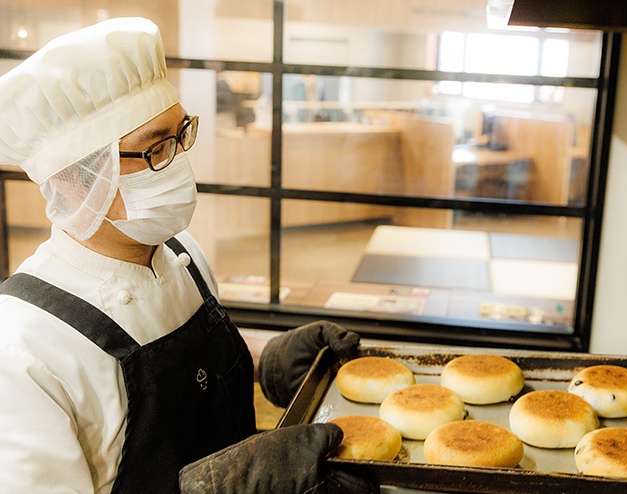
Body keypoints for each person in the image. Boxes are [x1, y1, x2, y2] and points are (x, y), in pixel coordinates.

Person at [0, 17, 376, 494]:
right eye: (157, 148)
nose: (179, 162)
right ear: (81, 180)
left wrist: (270, 363)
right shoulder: (21, 350)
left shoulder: (182, 254)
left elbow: (187, 359)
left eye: (182, 135)